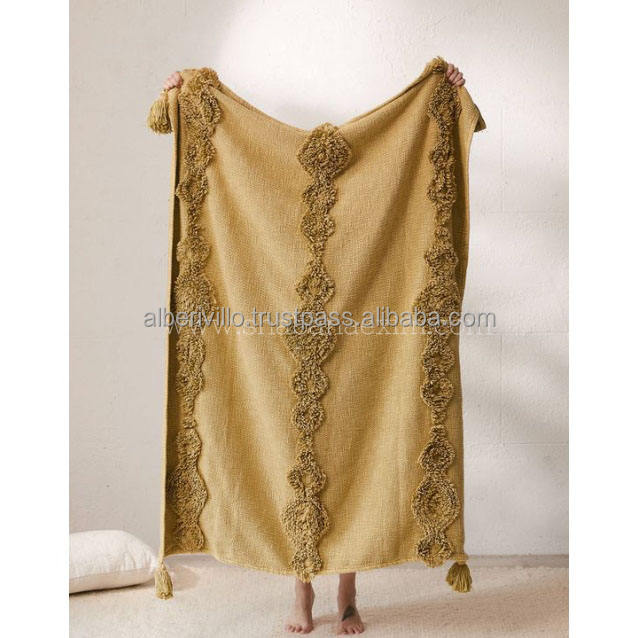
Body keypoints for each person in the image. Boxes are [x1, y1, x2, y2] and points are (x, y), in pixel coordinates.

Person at [161, 62, 466, 636]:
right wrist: (186, 96)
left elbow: (423, 154)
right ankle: (300, 588)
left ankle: (347, 593)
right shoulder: (270, 171)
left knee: (353, 445)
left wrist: (445, 92)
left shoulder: (372, 179)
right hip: (278, 329)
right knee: (287, 446)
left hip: (364, 324)